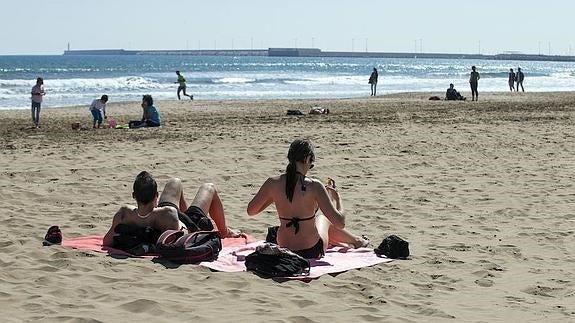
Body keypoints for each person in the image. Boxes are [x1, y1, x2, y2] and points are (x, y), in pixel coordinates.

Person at [247, 138, 369, 259]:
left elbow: (251, 211)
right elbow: (340, 223)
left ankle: (355, 241)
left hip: (284, 248)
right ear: (307, 159)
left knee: (312, 222)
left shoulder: (272, 183)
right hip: (311, 250)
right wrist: (337, 199)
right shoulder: (314, 186)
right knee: (322, 219)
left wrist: (273, 196)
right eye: (312, 163)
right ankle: (357, 241)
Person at [103, 171, 239, 247]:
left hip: (159, 214)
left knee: (175, 182)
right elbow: (179, 242)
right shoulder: (169, 213)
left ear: (134, 196)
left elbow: (107, 241)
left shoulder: (124, 213)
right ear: (156, 196)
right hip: (180, 221)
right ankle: (225, 231)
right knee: (209, 187)